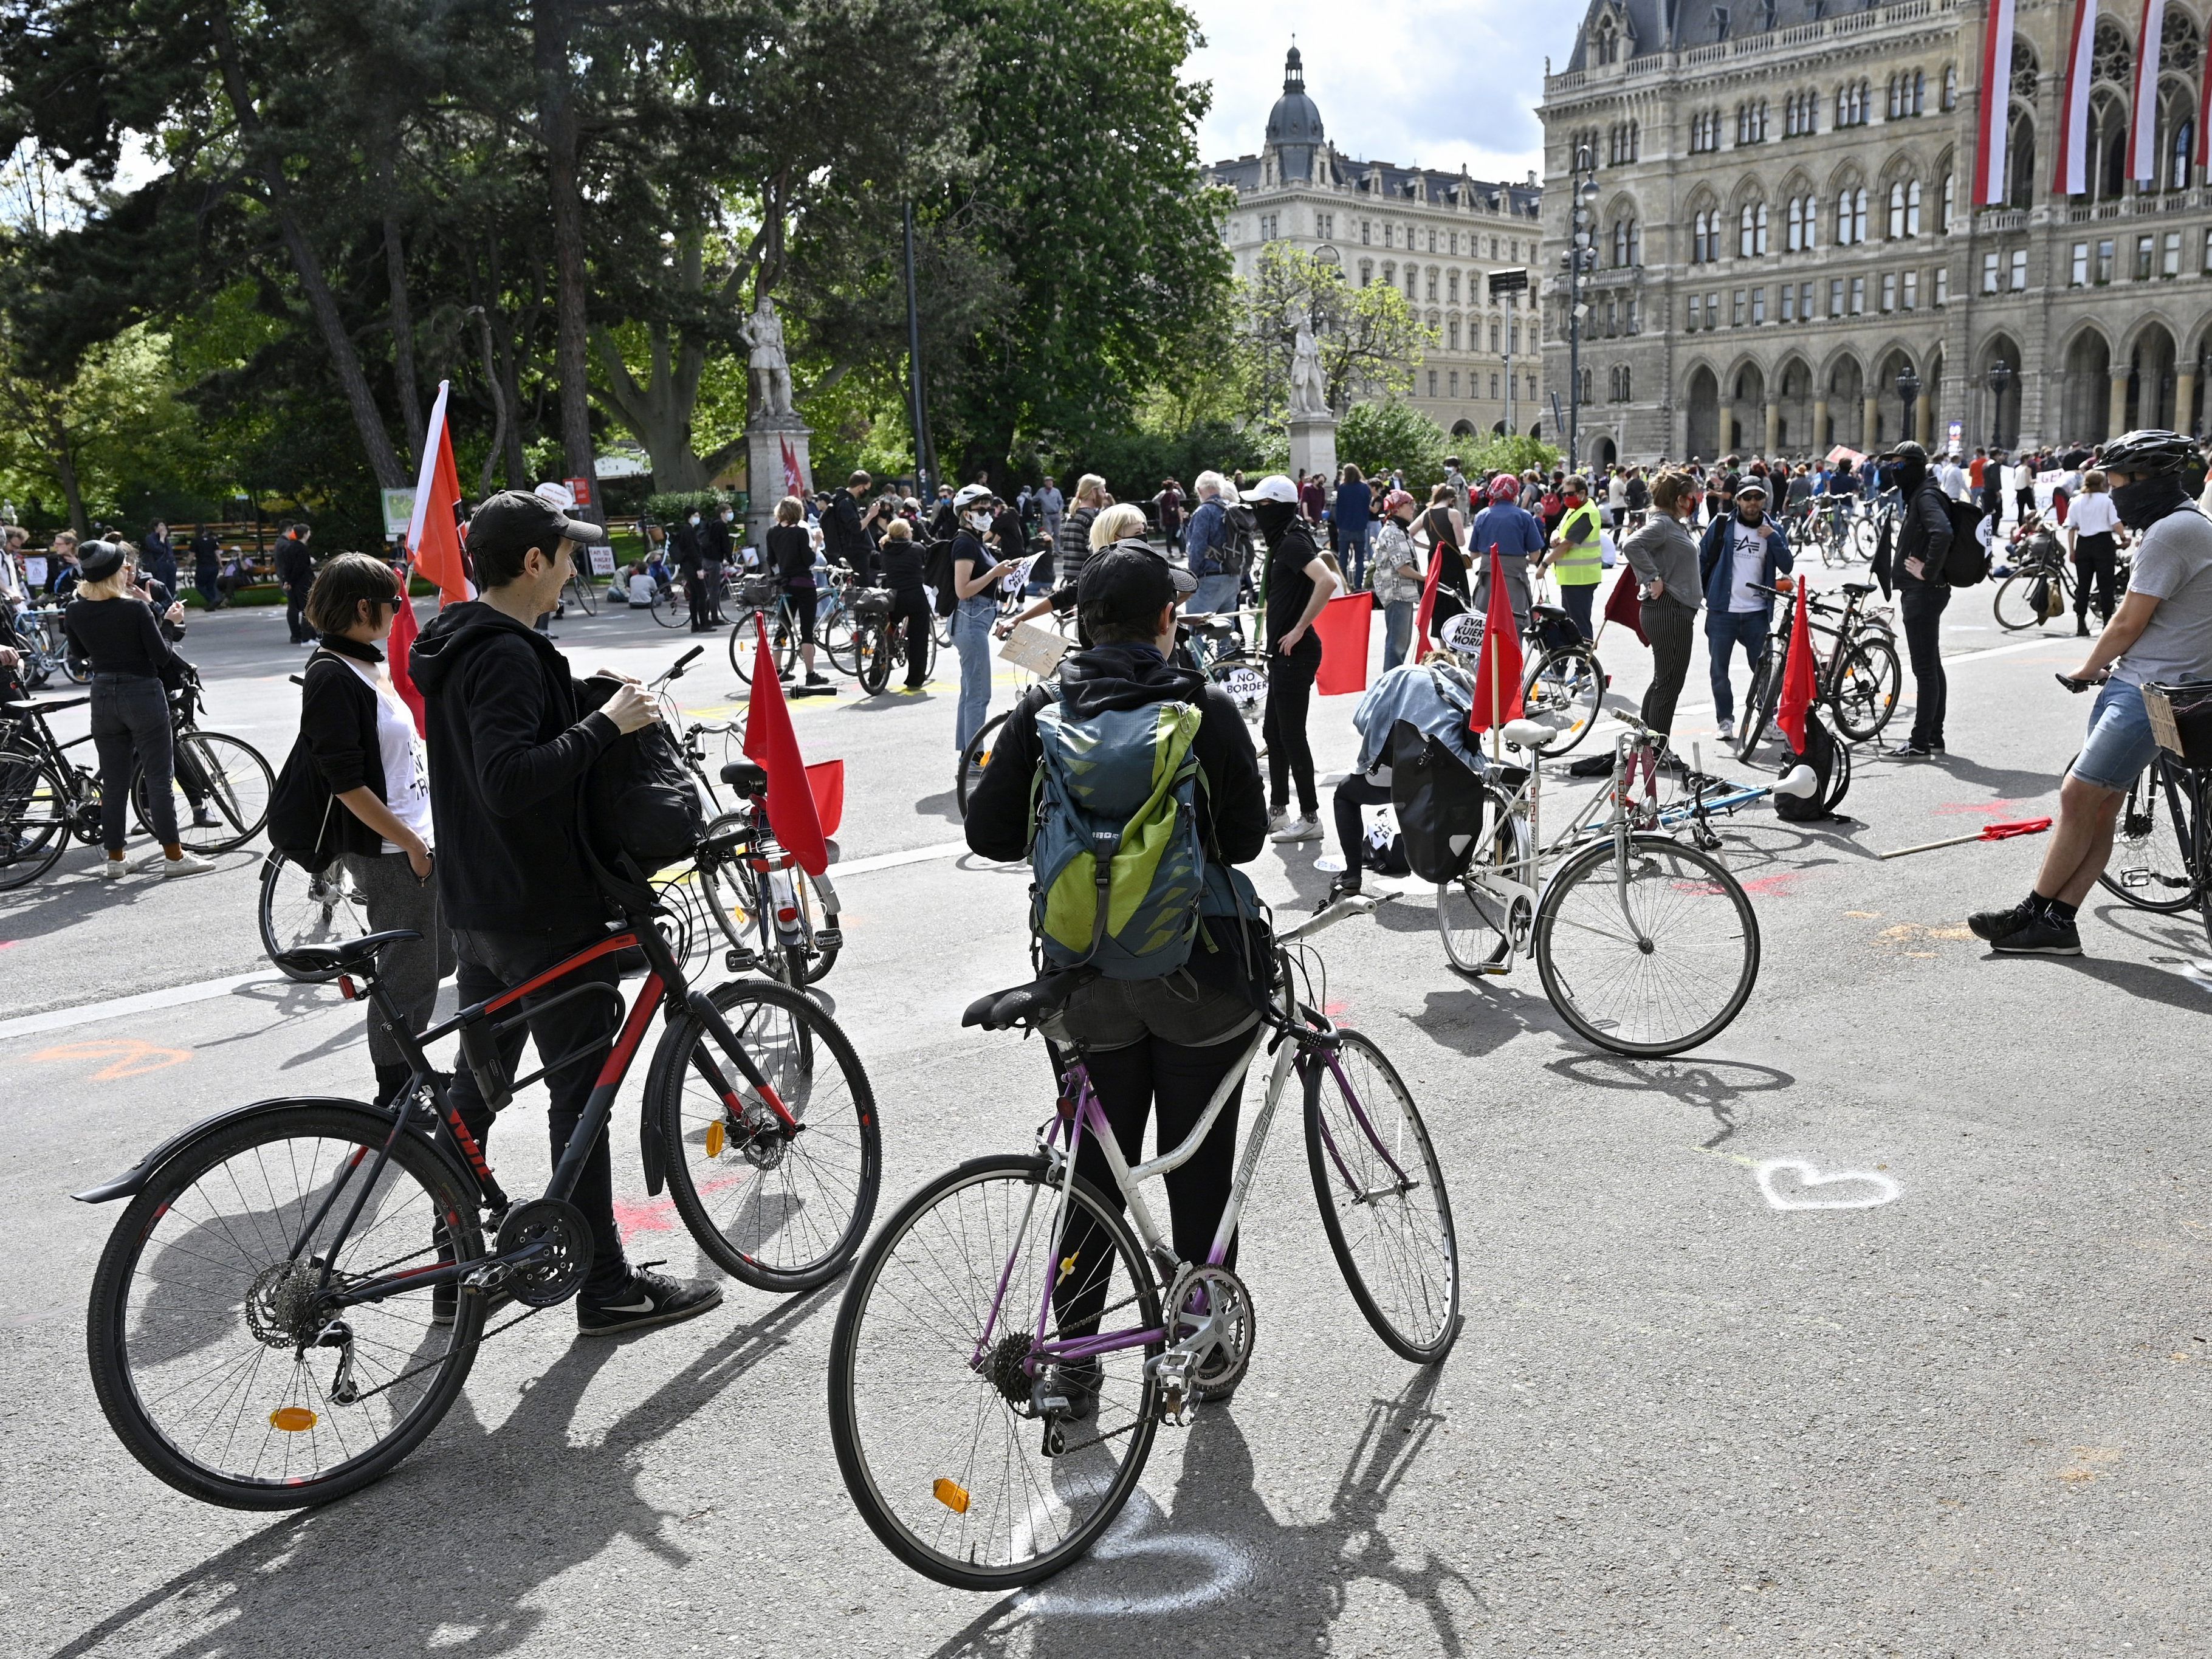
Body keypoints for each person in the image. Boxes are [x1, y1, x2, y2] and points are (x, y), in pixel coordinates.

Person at [410, 489, 719, 1337]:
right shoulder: (504, 653)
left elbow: (493, 747)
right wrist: (609, 726)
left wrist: (584, 692)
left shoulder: (465, 643)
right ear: (534, 562)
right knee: (580, 1098)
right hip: (543, 904)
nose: (575, 568)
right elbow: (510, 778)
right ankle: (607, 1285)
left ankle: (454, 1264)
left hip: (482, 905)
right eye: (567, 554)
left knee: (480, 1086)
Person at [963, 538, 1267, 1386]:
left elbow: (987, 833)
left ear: (1083, 627)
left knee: (1091, 1176)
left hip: (1084, 981)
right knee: (1199, 1170)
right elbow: (1243, 840)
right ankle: (1204, 1347)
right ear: (1169, 621)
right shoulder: (1204, 704)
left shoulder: (1041, 710)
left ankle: (1076, 1363)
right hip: (1198, 976)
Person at [1970, 429, 2212, 955]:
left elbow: (2128, 621)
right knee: (2103, 807)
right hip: (2158, 685)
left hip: (2148, 690)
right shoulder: (2188, 525)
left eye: (2121, 482)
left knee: (2079, 795)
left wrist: (2085, 669)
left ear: (2148, 480)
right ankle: (2058, 922)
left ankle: (2033, 912)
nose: (2116, 493)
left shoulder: (2172, 532)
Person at [296, 553, 455, 1109]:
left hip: (416, 836)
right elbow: (345, 783)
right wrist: (411, 845)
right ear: (364, 607)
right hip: (390, 849)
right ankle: (397, 1092)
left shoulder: (366, 662)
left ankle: (413, 1071)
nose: (397, 612)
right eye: (394, 603)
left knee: (435, 964)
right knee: (407, 975)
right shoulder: (330, 676)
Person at [62, 540, 214, 879]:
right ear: (114, 573)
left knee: (114, 782)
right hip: (142, 692)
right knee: (159, 779)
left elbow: (78, 654)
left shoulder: (75, 609)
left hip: (102, 694)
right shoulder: (134, 609)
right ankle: (174, 857)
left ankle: (116, 858)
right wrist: (171, 623)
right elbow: (161, 656)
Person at [1321, 654, 1482, 908]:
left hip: (1413, 769)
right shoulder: (1462, 687)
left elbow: (1363, 719)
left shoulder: (1402, 675)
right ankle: (1506, 865)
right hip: (1459, 772)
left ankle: (1352, 875)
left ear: (1427, 661)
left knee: (1345, 794)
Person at [1248, 474, 1334, 842]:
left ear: (1276, 507)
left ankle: (1311, 816)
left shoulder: (1292, 541)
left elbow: (1327, 581)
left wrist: (1299, 628)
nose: (1255, 512)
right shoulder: (1285, 538)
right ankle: (1279, 810)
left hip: (1295, 652)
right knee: (1273, 732)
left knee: (1292, 735)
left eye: (1261, 505)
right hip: (1286, 652)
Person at [1697, 476, 1793, 743]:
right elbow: (1701, 559)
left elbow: (1787, 564)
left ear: (1764, 500)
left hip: (1756, 612)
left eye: (1757, 498)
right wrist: (1705, 595)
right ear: (1737, 500)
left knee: (1764, 669)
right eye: (1747, 498)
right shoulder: (1722, 525)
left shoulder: (1773, 528)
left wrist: (1773, 538)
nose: (1752, 503)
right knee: (1719, 669)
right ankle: (1725, 720)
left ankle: (1767, 719)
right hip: (1722, 611)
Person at [1618, 470, 1703, 748]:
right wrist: (1652, 577)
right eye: (1691, 497)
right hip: (1669, 609)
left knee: (1662, 681)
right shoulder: (1663, 524)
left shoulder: (1671, 524)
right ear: (1680, 499)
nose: (1694, 502)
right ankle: (1657, 750)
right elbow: (1632, 544)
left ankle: (1647, 744)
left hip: (1671, 610)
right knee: (1669, 684)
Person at [1885, 441, 1956, 758]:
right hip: (1928, 592)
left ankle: (1920, 741)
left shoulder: (1925, 496)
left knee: (1924, 669)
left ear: (1914, 466)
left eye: (1898, 466)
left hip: (1923, 592)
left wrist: (1927, 570)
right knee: (1932, 664)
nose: (1893, 471)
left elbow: (1943, 532)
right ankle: (1934, 735)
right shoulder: (1923, 493)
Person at [950, 483, 1017, 750]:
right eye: (980, 509)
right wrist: (994, 574)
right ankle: (974, 758)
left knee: (970, 692)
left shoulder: (976, 542)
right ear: (966, 513)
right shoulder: (965, 543)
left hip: (975, 620)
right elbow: (963, 590)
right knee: (978, 693)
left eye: (989, 508)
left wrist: (1006, 572)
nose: (987, 513)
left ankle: (968, 753)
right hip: (970, 620)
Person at [766, 495, 831, 690]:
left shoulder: (772, 532)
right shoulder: (801, 532)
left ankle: (777, 669)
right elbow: (810, 559)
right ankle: (811, 673)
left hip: (785, 584)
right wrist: (817, 542)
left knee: (783, 626)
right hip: (804, 584)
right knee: (806, 630)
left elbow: (771, 560)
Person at [1468, 475, 1544, 627]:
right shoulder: (1524, 516)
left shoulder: (1482, 515)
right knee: (1514, 624)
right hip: (1515, 580)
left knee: (1485, 623)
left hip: (1487, 578)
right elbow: (1536, 556)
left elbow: (1474, 554)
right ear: (1515, 492)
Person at [1539, 475, 1606, 640]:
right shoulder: (1574, 509)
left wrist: (1545, 564)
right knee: (1568, 623)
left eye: (1570, 494)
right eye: (1564, 494)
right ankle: (1568, 660)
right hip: (1571, 578)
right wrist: (1555, 534)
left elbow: (1567, 544)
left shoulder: (1587, 513)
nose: (1566, 498)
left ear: (1582, 493)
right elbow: (1560, 528)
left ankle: (1584, 664)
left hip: (1582, 578)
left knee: (1580, 624)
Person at [874, 517, 934, 691]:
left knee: (885, 631)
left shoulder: (885, 550)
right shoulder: (917, 548)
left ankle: (876, 673)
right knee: (919, 637)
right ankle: (915, 679)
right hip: (916, 596)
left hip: (893, 598)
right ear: (906, 533)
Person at [2067, 469, 2124, 637]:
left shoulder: (2076, 501)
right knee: (2106, 584)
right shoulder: (2107, 500)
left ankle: (2081, 622)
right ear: (2102, 483)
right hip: (2103, 542)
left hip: (2083, 543)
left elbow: (2071, 528)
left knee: (2083, 585)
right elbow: (2116, 523)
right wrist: (2123, 537)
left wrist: (2072, 550)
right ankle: (2106, 621)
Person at [1370, 489, 1424, 671]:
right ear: (1398, 508)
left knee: (1402, 644)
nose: (1413, 509)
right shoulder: (1394, 532)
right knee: (1397, 646)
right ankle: (1391, 688)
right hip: (1397, 593)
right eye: (1410, 504)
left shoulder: (1401, 530)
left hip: (1404, 593)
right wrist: (1425, 578)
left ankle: (1394, 685)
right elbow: (1402, 567)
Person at [1184, 472, 1240, 619]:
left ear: (1200, 490)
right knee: (1225, 630)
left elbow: (1197, 550)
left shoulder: (1204, 511)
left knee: (1198, 628)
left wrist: (1191, 579)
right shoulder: (1234, 509)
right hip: (1233, 578)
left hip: (1209, 580)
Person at [822, 470, 883, 585]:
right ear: (860, 487)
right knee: (863, 586)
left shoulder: (846, 501)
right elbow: (856, 527)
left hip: (860, 549)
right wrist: (871, 515)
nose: (866, 492)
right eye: (866, 489)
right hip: (856, 551)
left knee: (883, 566)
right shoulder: (846, 503)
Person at [1056, 475, 1107, 593]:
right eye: (1103, 491)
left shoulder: (1073, 515)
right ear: (1093, 492)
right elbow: (1095, 551)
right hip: (1086, 577)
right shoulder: (1092, 517)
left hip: (1071, 575)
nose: (1105, 495)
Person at [275, 522, 316, 645]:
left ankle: (305, 636)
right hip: (303, 581)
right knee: (307, 609)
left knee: (298, 607)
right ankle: (307, 637)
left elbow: (288, 566)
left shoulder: (291, 547)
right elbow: (300, 567)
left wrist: (288, 581)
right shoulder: (301, 548)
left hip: (294, 582)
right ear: (305, 534)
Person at [1334, 464, 1373, 589]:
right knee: (1360, 559)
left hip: (1345, 526)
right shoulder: (1364, 488)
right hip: (1360, 526)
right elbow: (1367, 505)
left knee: (1343, 559)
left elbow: (1339, 509)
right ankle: (1358, 585)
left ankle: (1344, 584)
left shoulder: (1342, 488)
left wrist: (1338, 525)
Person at [142, 521, 177, 597]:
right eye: (161, 525)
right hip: (159, 564)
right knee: (162, 586)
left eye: (164, 526)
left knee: (172, 587)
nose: (164, 528)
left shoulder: (166, 539)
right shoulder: (150, 538)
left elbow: (170, 551)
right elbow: (158, 550)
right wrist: (162, 539)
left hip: (170, 564)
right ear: (155, 528)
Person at [190, 524, 221, 609]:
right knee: (210, 585)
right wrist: (221, 565)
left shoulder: (195, 541)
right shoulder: (213, 540)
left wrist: (187, 564)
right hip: (214, 566)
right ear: (205, 531)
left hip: (203, 566)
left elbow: (192, 555)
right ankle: (213, 603)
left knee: (199, 586)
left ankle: (212, 600)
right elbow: (217, 554)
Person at [1153, 478, 1186, 554]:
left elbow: (1154, 500)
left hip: (1167, 519)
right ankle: (1182, 552)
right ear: (1172, 487)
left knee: (1168, 536)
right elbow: (1182, 499)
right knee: (1179, 534)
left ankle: (1170, 552)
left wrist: (1161, 506)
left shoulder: (1162, 495)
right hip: (1175, 518)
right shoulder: (1175, 494)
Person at [1036, 476, 1065, 546]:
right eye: (1048, 482)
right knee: (1048, 533)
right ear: (1045, 483)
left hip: (1056, 515)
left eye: (1051, 481)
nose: (1050, 483)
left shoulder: (1056, 491)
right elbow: (1034, 500)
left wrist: (1060, 510)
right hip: (1047, 515)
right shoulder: (1041, 491)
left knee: (1057, 533)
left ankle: (1057, 550)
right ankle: (1050, 550)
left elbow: (1061, 502)